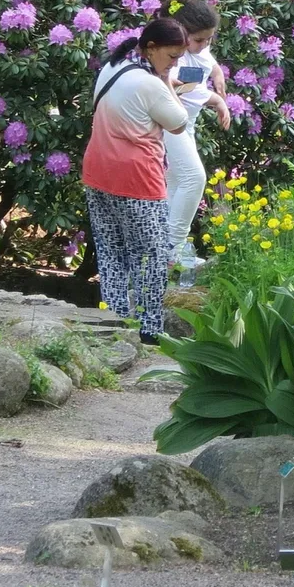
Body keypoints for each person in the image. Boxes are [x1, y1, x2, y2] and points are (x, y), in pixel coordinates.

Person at [82, 17, 189, 344]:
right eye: (171, 57)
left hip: (97, 173)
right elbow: (179, 123)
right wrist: (166, 81)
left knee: (111, 253)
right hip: (137, 181)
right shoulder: (150, 84)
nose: (174, 64)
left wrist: (162, 75)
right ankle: (149, 332)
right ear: (151, 48)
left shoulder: (112, 67)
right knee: (151, 257)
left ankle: (114, 328)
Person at [161, 0, 232, 254]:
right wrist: (217, 101)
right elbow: (185, 91)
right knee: (193, 178)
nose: (204, 45)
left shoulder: (199, 49)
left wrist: (218, 74)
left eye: (209, 39)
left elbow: (208, 59)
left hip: (186, 124)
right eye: (199, 40)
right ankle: (174, 248)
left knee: (177, 181)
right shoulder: (174, 57)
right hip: (170, 125)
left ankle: (163, 247)